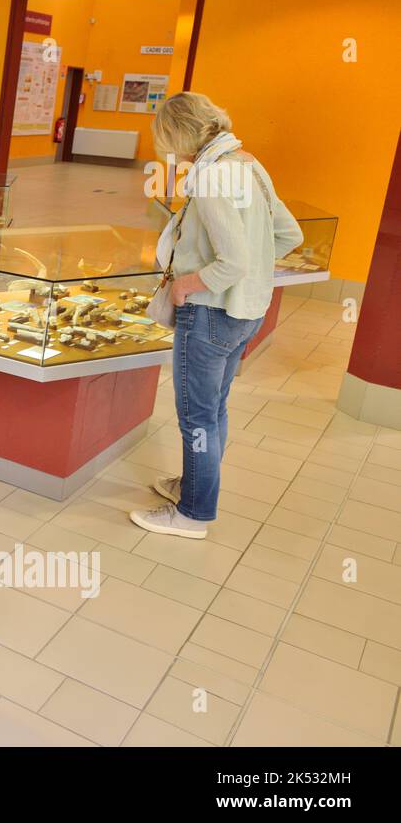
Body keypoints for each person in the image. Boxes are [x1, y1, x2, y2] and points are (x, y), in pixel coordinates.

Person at [129, 93, 303, 539]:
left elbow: (233, 262)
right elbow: (289, 234)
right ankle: (193, 487)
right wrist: (246, 275)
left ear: (178, 134)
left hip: (209, 314)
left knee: (196, 417)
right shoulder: (248, 164)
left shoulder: (210, 179)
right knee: (214, 408)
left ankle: (193, 512)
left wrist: (187, 284)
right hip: (246, 310)